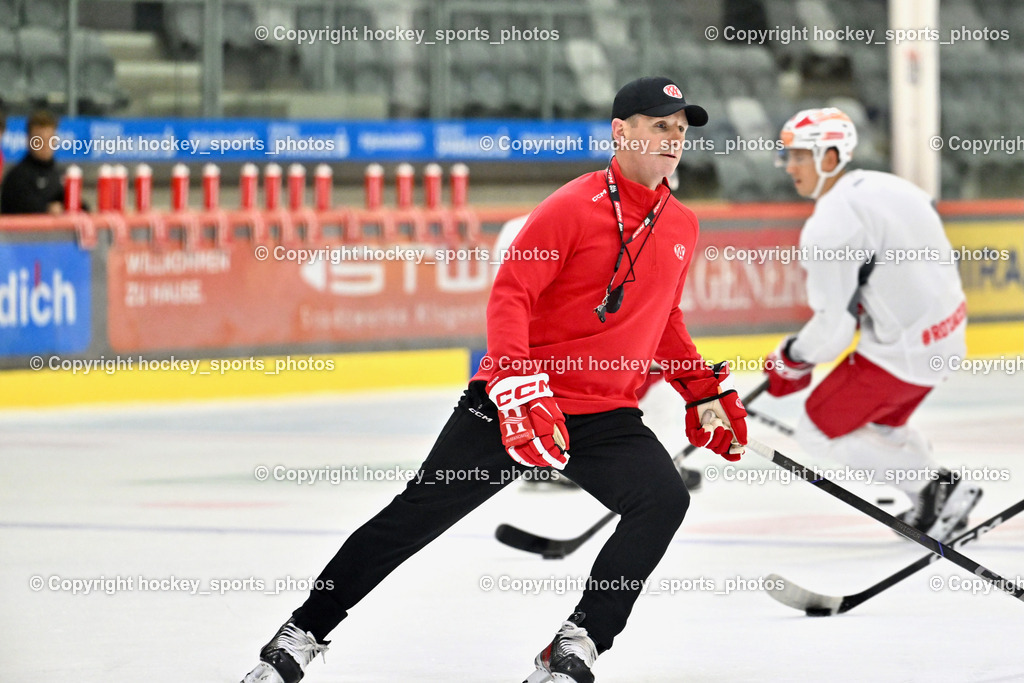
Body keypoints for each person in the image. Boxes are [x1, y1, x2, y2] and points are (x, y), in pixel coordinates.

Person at [241, 76, 749, 683]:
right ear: (621, 131)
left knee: (662, 498)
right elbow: (512, 295)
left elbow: (663, 316)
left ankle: (580, 640)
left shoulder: (681, 225)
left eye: (681, 130)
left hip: (602, 414)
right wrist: (514, 381)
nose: (673, 139)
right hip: (517, 400)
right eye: (659, 125)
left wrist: (701, 389)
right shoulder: (571, 206)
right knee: (415, 517)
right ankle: (303, 631)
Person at [765, 107, 979, 542]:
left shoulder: (829, 224)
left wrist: (793, 358)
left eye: (799, 156)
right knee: (882, 427)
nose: (790, 167)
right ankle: (934, 497)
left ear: (829, 157)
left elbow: (834, 330)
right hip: (949, 338)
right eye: (787, 156)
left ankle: (934, 487)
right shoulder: (892, 186)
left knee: (816, 429)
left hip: (900, 354)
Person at [0, 109, 64, 215]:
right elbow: (25, 207)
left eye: (49, 139)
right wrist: (48, 210)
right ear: (28, 140)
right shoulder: (17, 178)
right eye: (39, 140)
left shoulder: (60, 175)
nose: (45, 145)